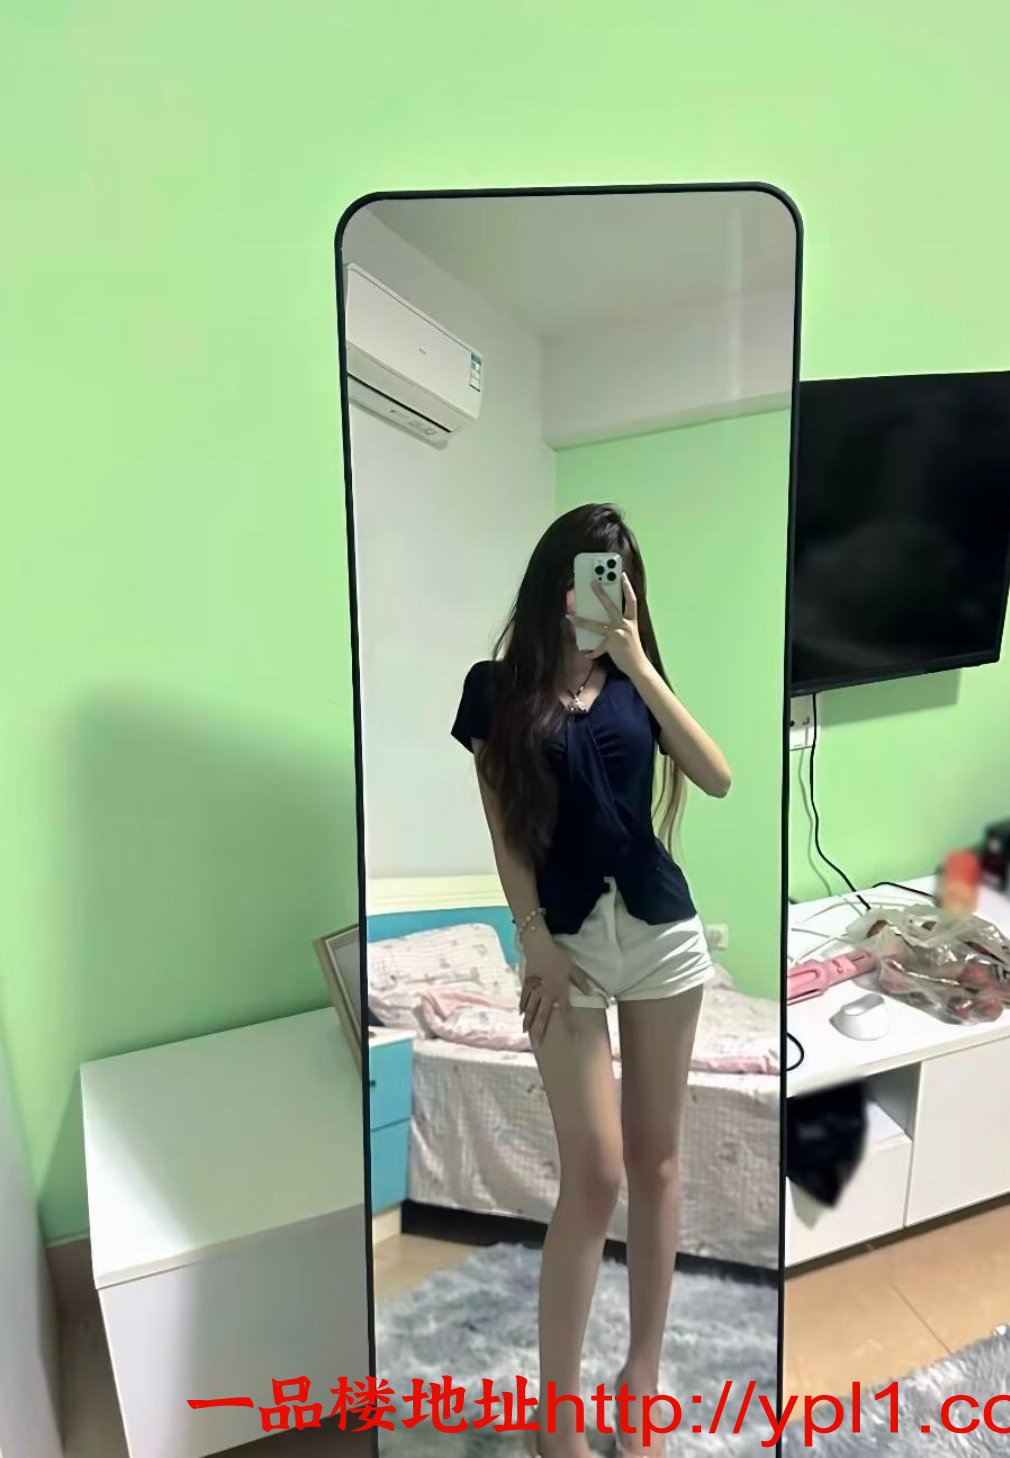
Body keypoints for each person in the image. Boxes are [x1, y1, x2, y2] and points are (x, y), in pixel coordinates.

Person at [450, 503, 732, 1458]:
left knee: (658, 1163)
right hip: (561, 946)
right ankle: (556, 1416)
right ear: (555, 581)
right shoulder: (495, 689)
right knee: (597, 1173)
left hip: (660, 937)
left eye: (619, 575)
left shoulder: (633, 681)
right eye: (589, 572)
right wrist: (531, 939)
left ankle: (640, 1374)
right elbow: (504, 830)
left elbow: (717, 776)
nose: (603, 590)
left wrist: (639, 661)